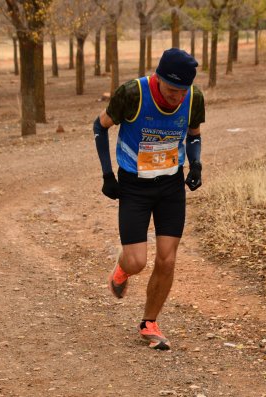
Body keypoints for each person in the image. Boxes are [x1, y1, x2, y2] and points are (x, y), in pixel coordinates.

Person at [93, 48, 205, 350]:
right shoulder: (132, 94)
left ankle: (149, 323)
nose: (176, 98)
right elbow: (99, 127)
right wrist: (107, 174)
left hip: (170, 186)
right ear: (158, 77)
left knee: (167, 258)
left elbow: (193, 133)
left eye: (182, 91)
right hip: (134, 185)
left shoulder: (193, 98)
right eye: (171, 90)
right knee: (137, 261)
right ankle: (121, 268)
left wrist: (195, 163)